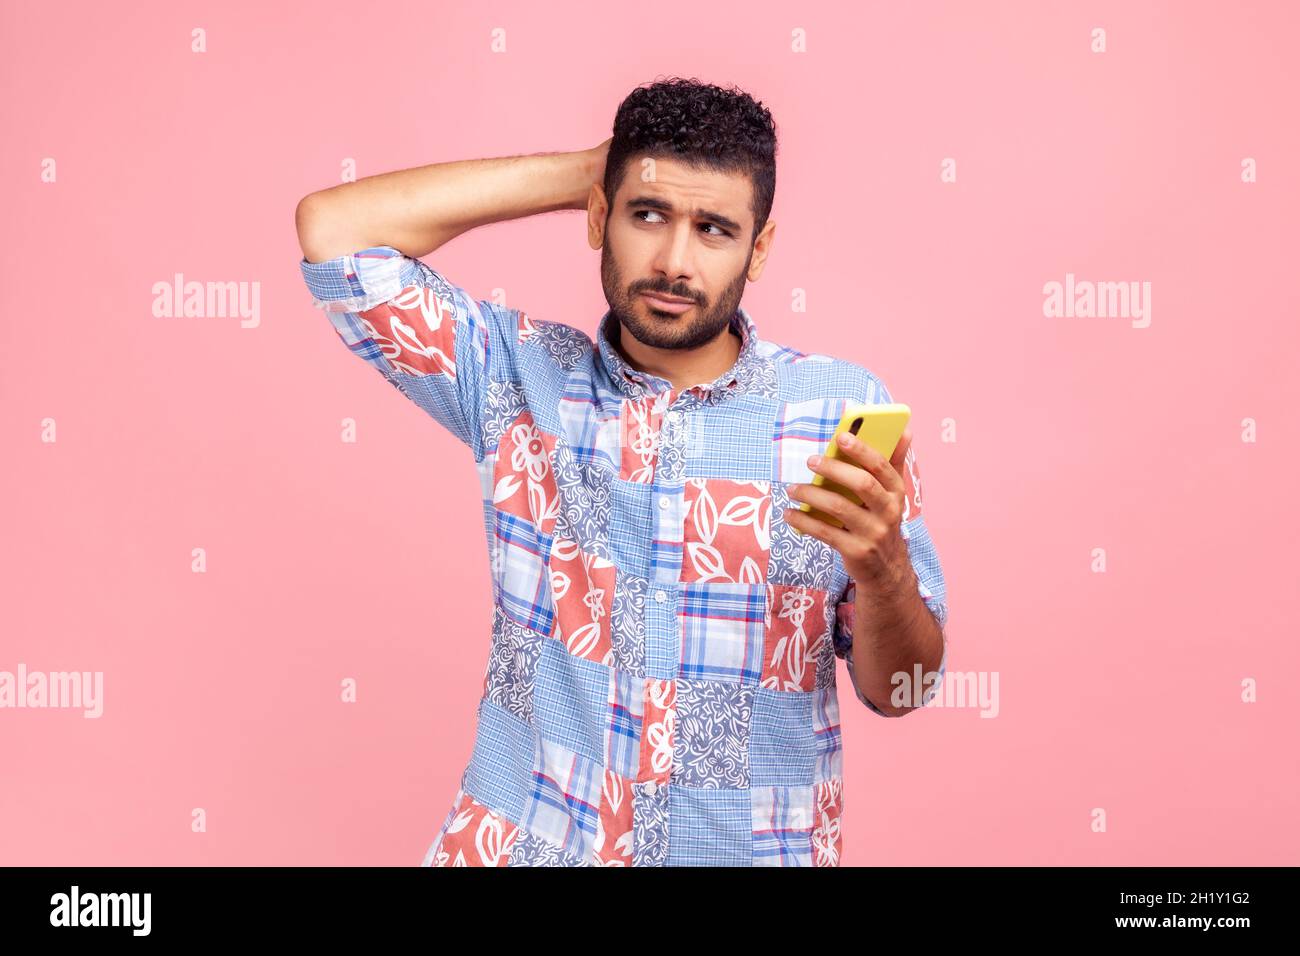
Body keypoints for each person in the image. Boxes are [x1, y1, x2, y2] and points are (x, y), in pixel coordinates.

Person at [295, 77, 949, 867]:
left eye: (714, 229)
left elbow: (902, 691)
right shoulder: (518, 377)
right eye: (647, 215)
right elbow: (333, 231)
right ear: (602, 219)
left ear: (759, 249)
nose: (674, 262)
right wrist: (584, 173)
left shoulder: (839, 411)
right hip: (529, 846)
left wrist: (883, 575)